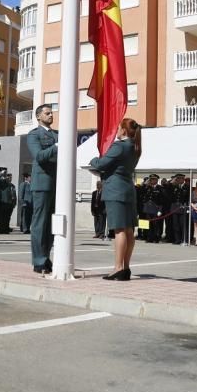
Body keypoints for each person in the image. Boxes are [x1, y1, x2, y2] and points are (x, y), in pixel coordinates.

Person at [89, 118, 142, 281]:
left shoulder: (120, 146)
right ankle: (125, 267)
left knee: (119, 230)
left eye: (118, 128)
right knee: (128, 230)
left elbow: (101, 164)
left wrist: (93, 160)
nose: (116, 130)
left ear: (124, 131)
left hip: (115, 189)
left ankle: (118, 267)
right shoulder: (135, 147)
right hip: (127, 189)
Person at [26, 104, 58, 274]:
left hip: (56, 184)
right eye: (47, 113)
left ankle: (45, 257)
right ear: (38, 117)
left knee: (51, 224)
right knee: (40, 223)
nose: (51, 115)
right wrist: (56, 147)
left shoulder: (56, 134)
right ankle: (38, 260)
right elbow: (39, 156)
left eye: (52, 112)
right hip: (42, 183)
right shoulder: (34, 135)